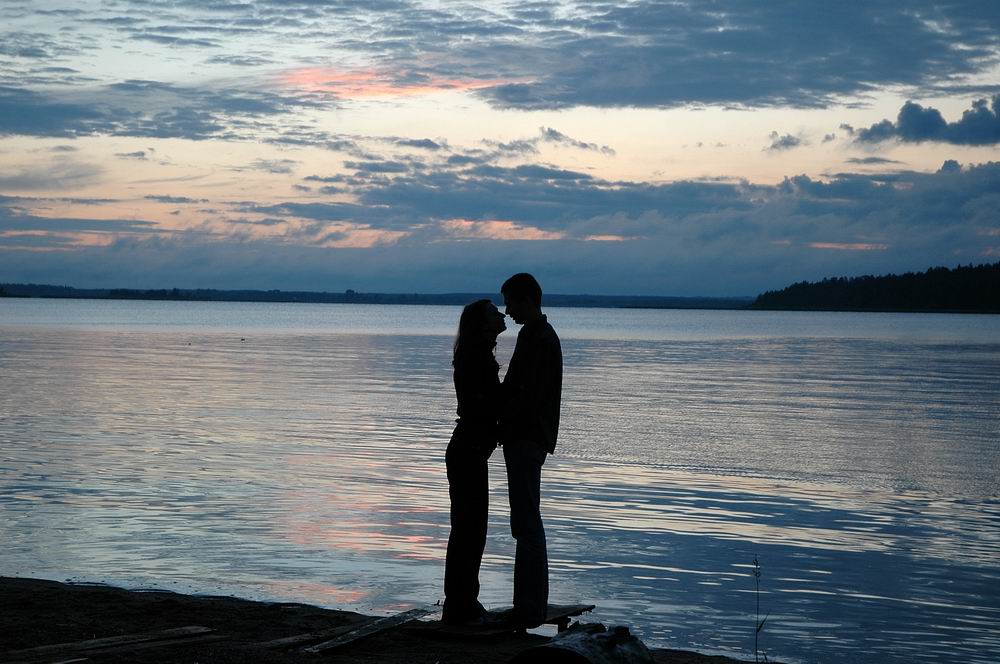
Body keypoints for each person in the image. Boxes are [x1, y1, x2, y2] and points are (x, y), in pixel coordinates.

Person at [496, 273, 562, 629]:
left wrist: (500, 423)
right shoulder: (534, 335)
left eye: (510, 302)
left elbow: (526, 395)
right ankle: (528, 604)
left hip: (527, 438)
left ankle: (529, 607)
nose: (507, 311)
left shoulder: (540, 339)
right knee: (525, 520)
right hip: (527, 437)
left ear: (527, 299)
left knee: (526, 522)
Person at [442, 298, 507, 625]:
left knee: (469, 529)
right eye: (495, 312)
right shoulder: (475, 357)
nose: (502, 314)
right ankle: (461, 605)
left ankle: (463, 602)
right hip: (467, 449)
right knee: (470, 529)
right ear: (482, 323)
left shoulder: (478, 354)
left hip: (468, 449)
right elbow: (482, 404)